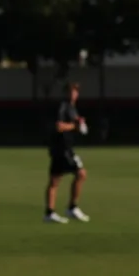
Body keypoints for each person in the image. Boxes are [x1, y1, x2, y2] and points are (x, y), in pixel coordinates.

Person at [45, 82, 90, 224]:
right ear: (65, 93)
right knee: (81, 174)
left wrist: (80, 123)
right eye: (70, 91)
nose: (73, 94)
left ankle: (49, 213)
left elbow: (74, 123)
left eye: (75, 91)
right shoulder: (64, 106)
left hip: (59, 148)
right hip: (64, 148)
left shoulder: (71, 108)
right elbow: (59, 126)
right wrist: (75, 126)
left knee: (54, 180)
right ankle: (72, 207)